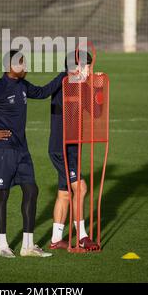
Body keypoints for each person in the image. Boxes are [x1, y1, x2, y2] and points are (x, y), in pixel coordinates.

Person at [0, 50, 66, 258]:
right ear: (11, 67)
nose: (26, 67)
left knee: (32, 191)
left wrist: (65, 73)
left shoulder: (22, 86)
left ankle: (27, 246)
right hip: (3, 150)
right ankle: (2, 245)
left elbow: (43, 92)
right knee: (3, 193)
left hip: (22, 149)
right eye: (22, 64)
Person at [48, 52, 100, 251]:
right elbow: (57, 101)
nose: (90, 70)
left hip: (73, 148)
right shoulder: (63, 85)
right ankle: (82, 237)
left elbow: (95, 113)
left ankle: (56, 239)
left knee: (65, 193)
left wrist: (96, 90)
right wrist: (71, 78)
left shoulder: (81, 86)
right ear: (76, 68)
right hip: (60, 148)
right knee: (81, 188)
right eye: (87, 66)